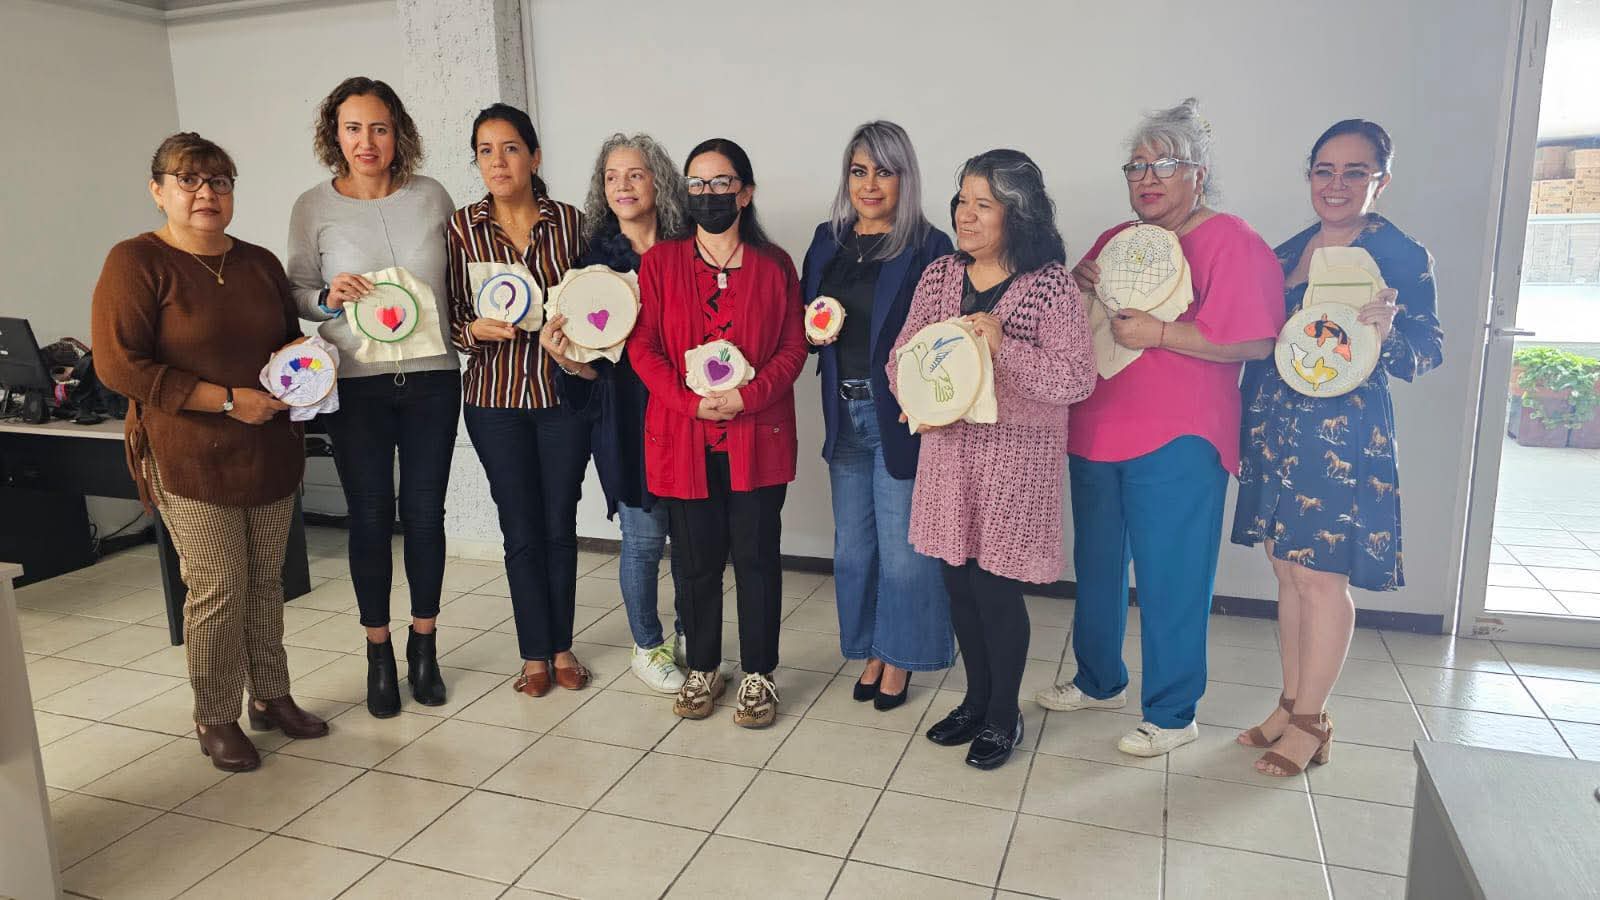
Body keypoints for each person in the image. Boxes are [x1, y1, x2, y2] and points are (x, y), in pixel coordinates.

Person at [1037, 98, 1286, 758]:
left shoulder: (1231, 240)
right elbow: (1077, 326)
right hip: (1096, 428)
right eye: (1136, 166)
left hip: (1179, 437)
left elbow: (1257, 341)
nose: (1147, 178)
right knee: (1096, 566)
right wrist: (1078, 285)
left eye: (1164, 165)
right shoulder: (1118, 241)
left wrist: (1163, 334)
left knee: (1171, 575)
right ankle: (1098, 681)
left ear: (1198, 174)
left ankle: (1174, 714)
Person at [92, 132, 329, 772]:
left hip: (268, 448)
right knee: (218, 586)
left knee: (265, 582)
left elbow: (285, 342)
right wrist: (225, 401)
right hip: (187, 455)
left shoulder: (259, 263)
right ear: (158, 190)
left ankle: (270, 694)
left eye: (219, 181)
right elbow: (118, 365)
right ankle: (215, 714)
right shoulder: (136, 262)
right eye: (189, 180)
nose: (206, 193)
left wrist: (309, 361)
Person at [1232, 120, 1442, 776]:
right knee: (1287, 571)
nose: (1337, 184)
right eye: (1325, 170)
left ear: (1382, 180)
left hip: (1343, 433)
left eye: (1356, 171)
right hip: (1276, 425)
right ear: (1310, 176)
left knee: (1321, 579)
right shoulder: (1289, 248)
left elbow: (1428, 349)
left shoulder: (1399, 254)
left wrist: (1392, 328)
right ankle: (1290, 702)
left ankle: (1313, 722)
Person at [894, 149, 1096, 770]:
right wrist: (913, 398)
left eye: (983, 205)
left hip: (1015, 465)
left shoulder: (1051, 287)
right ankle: (974, 701)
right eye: (963, 201)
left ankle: (1003, 715)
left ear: (1018, 213)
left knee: (995, 588)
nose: (966, 215)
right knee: (956, 581)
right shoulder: (940, 276)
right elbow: (904, 355)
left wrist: (1004, 346)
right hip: (948, 458)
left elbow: (1075, 378)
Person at [287, 76, 459, 718]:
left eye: (379, 128)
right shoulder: (313, 206)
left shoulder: (431, 196)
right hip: (357, 383)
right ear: (334, 135)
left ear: (398, 133)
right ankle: (378, 653)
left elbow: (461, 281)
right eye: (354, 128)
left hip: (433, 379)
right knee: (368, 515)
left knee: (425, 514)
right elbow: (296, 291)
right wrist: (327, 296)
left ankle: (425, 646)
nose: (367, 141)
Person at [628, 137, 807, 728]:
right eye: (697, 184)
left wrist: (747, 396)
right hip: (686, 438)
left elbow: (792, 347)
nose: (708, 194)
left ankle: (759, 673)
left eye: (721, 183)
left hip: (757, 436)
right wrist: (689, 402)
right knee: (695, 563)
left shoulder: (774, 265)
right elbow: (643, 347)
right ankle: (703, 666)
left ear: (745, 193)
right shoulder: (660, 264)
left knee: (757, 559)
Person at [801, 121, 955, 710]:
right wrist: (813, 332)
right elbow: (807, 319)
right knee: (853, 550)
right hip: (842, 413)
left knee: (903, 550)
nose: (869, 185)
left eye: (884, 172)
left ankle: (902, 656)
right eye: (858, 171)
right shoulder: (828, 240)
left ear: (904, 178)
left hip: (899, 417)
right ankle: (872, 647)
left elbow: (943, 338)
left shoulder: (929, 246)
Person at [446, 103, 590, 698]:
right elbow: (450, 316)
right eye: (485, 151)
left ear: (534, 156)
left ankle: (562, 646)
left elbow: (597, 306)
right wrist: (472, 331)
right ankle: (533, 652)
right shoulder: (460, 228)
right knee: (519, 526)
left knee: (559, 522)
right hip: (493, 399)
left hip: (561, 396)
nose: (498, 162)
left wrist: (580, 341)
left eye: (510, 148)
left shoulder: (571, 223)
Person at [540, 132, 690, 693]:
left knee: (696, 540)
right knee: (644, 540)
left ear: (659, 182)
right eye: (611, 177)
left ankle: (693, 639)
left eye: (635, 174)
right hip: (625, 421)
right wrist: (565, 358)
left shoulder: (691, 252)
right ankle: (648, 647)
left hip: (689, 413)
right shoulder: (591, 268)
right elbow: (588, 374)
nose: (622, 186)